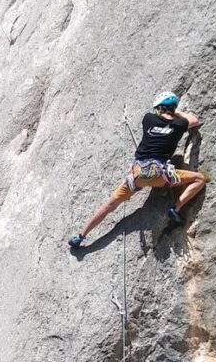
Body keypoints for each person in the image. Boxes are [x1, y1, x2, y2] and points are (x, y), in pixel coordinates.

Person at [68, 92, 206, 248]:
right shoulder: (179, 125)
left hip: (137, 175)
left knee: (109, 205)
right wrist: (177, 112)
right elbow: (195, 120)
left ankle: (80, 236)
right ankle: (176, 208)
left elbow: (157, 120)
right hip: (160, 176)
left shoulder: (149, 119)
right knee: (199, 179)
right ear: (172, 109)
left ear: (160, 108)